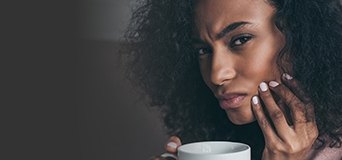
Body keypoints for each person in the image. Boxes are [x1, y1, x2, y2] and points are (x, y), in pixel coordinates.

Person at [122, 0, 342, 159]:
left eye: (240, 40)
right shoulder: (227, 135)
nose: (216, 75)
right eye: (203, 50)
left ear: (298, 33)